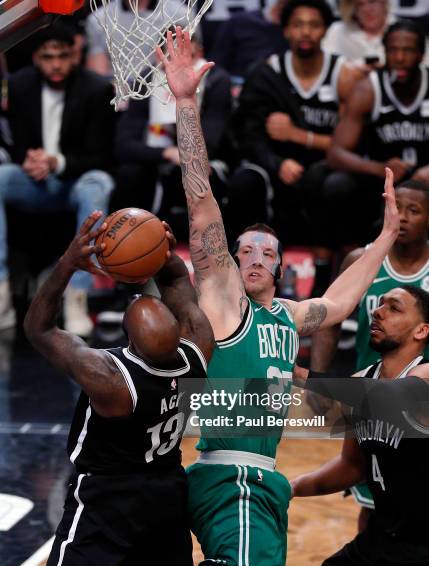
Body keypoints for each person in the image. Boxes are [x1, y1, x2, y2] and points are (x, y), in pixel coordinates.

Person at [157, 25, 400, 566]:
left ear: (282, 268)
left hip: (261, 482)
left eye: (269, 251)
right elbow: (201, 201)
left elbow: (340, 301)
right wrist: (187, 106)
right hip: (230, 477)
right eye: (247, 252)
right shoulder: (224, 301)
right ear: (230, 264)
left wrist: (385, 238)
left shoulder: (288, 316)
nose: (258, 258)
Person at [24, 211, 214, 566]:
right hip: (165, 494)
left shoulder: (110, 379)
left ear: (128, 338)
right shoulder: (197, 351)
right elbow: (179, 283)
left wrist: (68, 264)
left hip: (107, 499)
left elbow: (38, 329)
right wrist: (163, 252)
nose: (139, 297)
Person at [288, 285, 429, 566]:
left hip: (423, 557)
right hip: (378, 543)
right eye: (378, 305)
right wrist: (291, 487)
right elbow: (352, 467)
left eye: (394, 308)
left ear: (422, 330)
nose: (377, 312)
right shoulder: (362, 379)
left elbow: (386, 397)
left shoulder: (423, 377)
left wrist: (297, 373)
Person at [310, 178, 429, 528]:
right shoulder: (360, 260)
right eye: (397, 208)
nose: (403, 217)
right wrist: (318, 376)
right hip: (370, 396)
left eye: (414, 210)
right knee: (371, 496)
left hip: (420, 402)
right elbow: (329, 318)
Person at [227, 0, 361, 290]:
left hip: (326, 169)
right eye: (298, 25)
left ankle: (328, 277)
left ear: (325, 30)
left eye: (313, 25)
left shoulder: (345, 75)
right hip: (278, 166)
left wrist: (298, 136)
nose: (306, 32)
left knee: (334, 182)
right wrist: (277, 163)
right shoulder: (266, 73)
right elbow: (247, 135)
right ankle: (239, 277)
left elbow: (354, 144)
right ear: (286, 30)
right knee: (245, 182)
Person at [0, 23, 115, 336]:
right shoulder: (21, 86)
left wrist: (57, 162)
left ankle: (77, 296)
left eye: (62, 56)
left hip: (75, 182)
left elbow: (103, 156)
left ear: (74, 55)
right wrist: (32, 160)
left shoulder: (95, 88)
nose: (55, 64)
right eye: (48, 56)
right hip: (36, 182)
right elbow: (18, 143)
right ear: (36, 57)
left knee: (98, 183)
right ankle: (1, 293)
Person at [113, 33, 232, 241]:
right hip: (156, 161)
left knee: (199, 173)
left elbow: (212, 142)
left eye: (187, 57)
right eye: (172, 57)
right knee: (129, 174)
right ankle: (129, 244)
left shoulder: (216, 79)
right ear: (160, 57)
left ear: (200, 53)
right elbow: (123, 145)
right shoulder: (147, 78)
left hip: (204, 163)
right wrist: (167, 153)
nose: (181, 66)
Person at [323, 19, 429, 248]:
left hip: (425, 180)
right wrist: (380, 168)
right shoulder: (368, 88)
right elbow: (336, 153)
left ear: (421, 55)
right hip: (380, 182)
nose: (400, 58)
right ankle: (346, 257)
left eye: (408, 50)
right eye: (393, 50)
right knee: (337, 185)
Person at [323, 0, 394, 65]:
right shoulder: (338, 31)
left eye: (372, 2)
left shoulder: (399, 31)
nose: (367, 9)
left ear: (384, 2)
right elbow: (324, 63)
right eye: (360, 4)